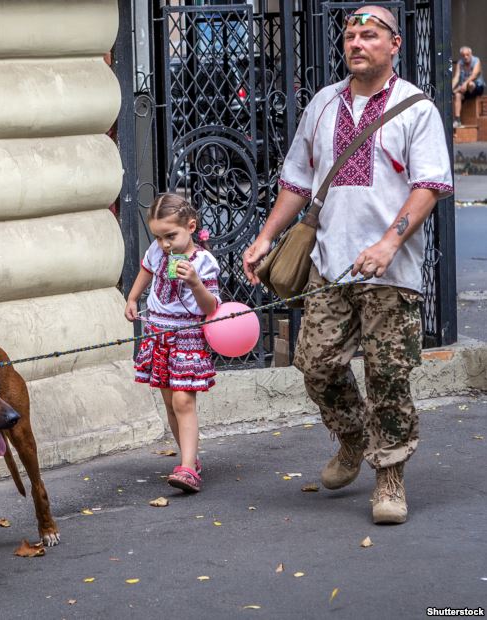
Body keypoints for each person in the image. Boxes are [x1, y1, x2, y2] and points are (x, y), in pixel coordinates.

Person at [242, 5, 452, 524]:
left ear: (394, 44)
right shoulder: (323, 103)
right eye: (350, 35)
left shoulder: (416, 108)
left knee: (388, 376)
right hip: (329, 263)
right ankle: (354, 436)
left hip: (390, 271)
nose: (357, 43)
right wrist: (265, 238)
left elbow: (429, 186)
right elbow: (297, 180)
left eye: (370, 34)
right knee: (316, 364)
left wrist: (387, 244)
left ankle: (390, 476)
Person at [125, 193, 221, 493]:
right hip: (158, 332)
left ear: (191, 226)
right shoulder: (158, 251)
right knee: (169, 400)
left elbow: (211, 307)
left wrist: (195, 282)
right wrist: (132, 297)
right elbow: (147, 269)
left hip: (187, 335)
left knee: (183, 400)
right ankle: (188, 458)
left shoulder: (203, 262)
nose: (165, 244)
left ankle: (189, 468)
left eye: (171, 236)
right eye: (159, 237)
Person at [452, 46, 484, 128]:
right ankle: (457, 120)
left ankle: (460, 90)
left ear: (471, 54)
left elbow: (474, 75)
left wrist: (464, 84)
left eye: (467, 55)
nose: (465, 57)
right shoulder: (460, 63)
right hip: (464, 89)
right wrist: (451, 88)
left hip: (476, 87)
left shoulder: (476, 61)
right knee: (457, 95)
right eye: (463, 55)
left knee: (470, 84)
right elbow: (456, 77)